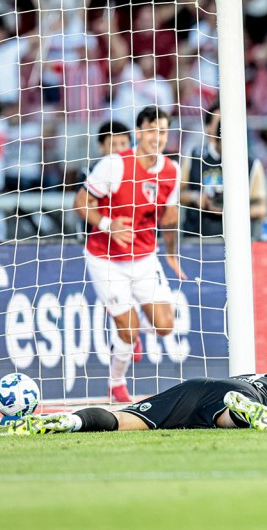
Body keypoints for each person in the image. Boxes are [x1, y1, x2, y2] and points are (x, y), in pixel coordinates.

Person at [73, 105, 185, 404]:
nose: (157, 137)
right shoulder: (115, 164)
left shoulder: (172, 170)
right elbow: (81, 203)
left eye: (163, 131)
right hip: (105, 257)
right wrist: (107, 225)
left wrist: (172, 254)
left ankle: (129, 325)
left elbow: (170, 216)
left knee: (164, 326)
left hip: (145, 257)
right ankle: (116, 382)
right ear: (138, 133)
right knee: (129, 331)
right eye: (151, 130)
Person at [9, 372, 267, 434]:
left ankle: (72, 421)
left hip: (200, 387)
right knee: (226, 417)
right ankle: (239, 413)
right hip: (249, 399)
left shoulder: (256, 376)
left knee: (126, 419)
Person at [180, 103, 267, 239]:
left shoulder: (251, 164)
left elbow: (261, 208)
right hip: (196, 240)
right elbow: (177, 194)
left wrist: (232, 211)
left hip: (237, 242)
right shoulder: (194, 157)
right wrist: (197, 198)